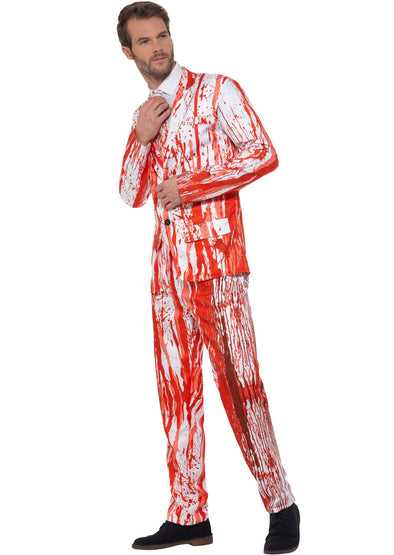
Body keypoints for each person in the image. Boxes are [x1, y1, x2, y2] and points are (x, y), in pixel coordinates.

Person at [117, 2, 300, 553]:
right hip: (166, 275)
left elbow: (263, 153)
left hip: (217, 267)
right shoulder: (146, 113)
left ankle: (281, 505)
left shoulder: (218, 90)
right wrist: (140, 136)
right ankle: (188, 514)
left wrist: (191, 185)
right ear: (128, 52)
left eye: (162, 35)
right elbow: (129, 194)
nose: (158, 47)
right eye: (145, 41)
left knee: (242, 387)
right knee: (175, 391)